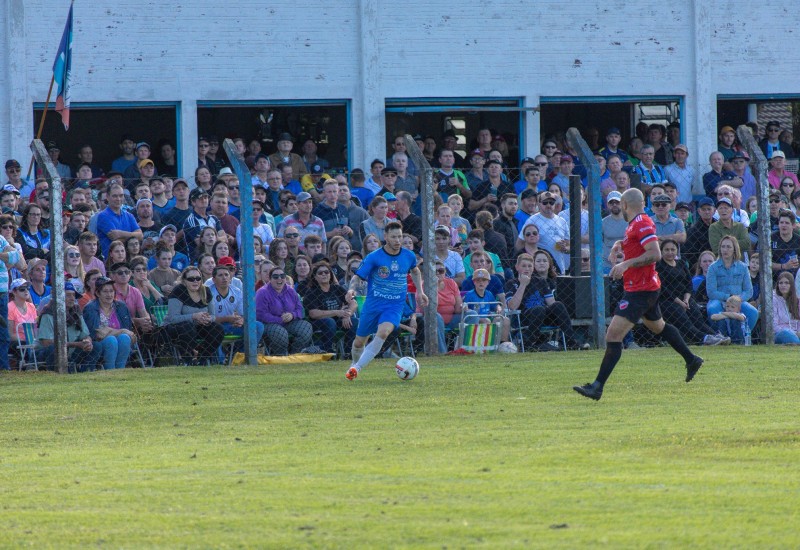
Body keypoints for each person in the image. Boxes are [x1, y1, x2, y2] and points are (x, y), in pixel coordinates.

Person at [573, 188, 704, 401]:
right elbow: (637, 245)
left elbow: (654, 253)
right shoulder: (636, 223)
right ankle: (691, 359)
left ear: (624, 205)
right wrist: (619, 245)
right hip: (646, 286)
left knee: (613, 336)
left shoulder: (641, 223)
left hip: (640, 290)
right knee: (658, 327)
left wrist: (625, 264)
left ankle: (597, 387)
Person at [344, 221, 428, 380]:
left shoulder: (408, 255)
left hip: (394, 305)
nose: (398, 240)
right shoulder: (374, 257)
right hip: (373, 304)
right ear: (386, 237)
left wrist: (420, 292)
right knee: (359, 343)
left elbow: (415, 271)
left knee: (383, 333)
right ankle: (354, 365)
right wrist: (351, 289)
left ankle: (357, 368)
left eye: (400, 236)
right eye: (394, 237)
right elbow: (358, 276)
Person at [656, 240, 728, 346]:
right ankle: (704, 339)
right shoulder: (659, 266)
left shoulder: (681, 263)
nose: (670, 252)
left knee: (698, 320)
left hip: (686, 298)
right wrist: (680, 302)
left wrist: (686, 299)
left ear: (677, 250)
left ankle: (716, 336)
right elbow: (664, 289)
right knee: (686, 322)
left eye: (673, 249)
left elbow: (688, 284)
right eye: (666, 250)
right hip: (668, 301)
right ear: (661, 251)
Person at [164, 266, 225, 365]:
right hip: (176, 329)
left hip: (198, 327)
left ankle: (202, 358)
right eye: (191, 279)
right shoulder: (178, 291)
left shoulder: (206, 291)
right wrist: (194, 316)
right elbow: (172, 318)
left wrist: (208, 319)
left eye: (198, 278)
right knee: (188, 326)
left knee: (217, 329)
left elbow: (213, 315)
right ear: (184, 280)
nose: (195, 281)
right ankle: (188, 359)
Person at [38, 282, 102, 372]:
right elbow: (46, 342)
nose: (72, 298)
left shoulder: (76, 311)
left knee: (96, 346)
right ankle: (55, 373)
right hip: (50, 355)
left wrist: (87, 342)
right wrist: (76, 344)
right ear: (58, 296)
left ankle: (86, 373)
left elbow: (85, 335)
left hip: (72, 352)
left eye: (73, 295)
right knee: (53, 349)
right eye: (68, 295)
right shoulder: (48, 313)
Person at [255, 266, 313, 355]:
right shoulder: (262, 292)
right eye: (275, 276)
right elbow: (261, 315)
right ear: (270, 279)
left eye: (282, 276)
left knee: (306, 327)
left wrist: (292, 315)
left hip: (290, 321)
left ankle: (295, 354)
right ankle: (281, 356)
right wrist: (280, 320)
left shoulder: (290, 290)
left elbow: (300, 310)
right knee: (280, 333)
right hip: (269, 324)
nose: (279, 279)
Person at [705, 235, 758, 332]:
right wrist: (727, 297)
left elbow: (748, 291)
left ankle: (742, 336)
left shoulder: (743, 267)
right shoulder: (713, 267)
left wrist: (737, 299)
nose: (725, 249)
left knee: (753, 312)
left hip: (738, 301)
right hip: (718, 300)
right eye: (723, 246)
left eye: (728, 247)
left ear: (734, 249)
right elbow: (711, 292)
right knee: (712, 309)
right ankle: (721, 336)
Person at [82, 276, 136, 370]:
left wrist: (108, 330)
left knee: (124, 338)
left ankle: (120, 370)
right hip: (98, 344)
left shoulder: (121, 306)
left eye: (111, 291)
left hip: (120, 342)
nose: (109, 294)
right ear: (98, 293)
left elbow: (128, 332)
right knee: (111, 340)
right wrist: (120, 331)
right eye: (105, 291)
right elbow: (95, 334)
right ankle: (110, 371)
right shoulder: (90, 308)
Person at [303, 262, 357, 353]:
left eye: (326, 272)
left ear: (331, 275)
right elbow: (313, 314)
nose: (324, 274)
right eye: (320, 273)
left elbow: (354, 303)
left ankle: (349, 352)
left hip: (338, 319)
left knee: (354, 321)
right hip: (319, 322)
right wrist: (336, 312)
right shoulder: (311, 292)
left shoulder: (336, 289)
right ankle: (328, 351)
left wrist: (348, 314)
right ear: (315, 277)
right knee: (329, 321)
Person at [462, 268, 511, 343]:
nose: (481, 282)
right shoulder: (470, 295)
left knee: (505, 320)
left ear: (488, 282)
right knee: (486, 321)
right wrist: (466, 308)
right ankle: (487, 344)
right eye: (478, 280)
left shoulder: (489, 294)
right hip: (476, 320)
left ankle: (502, 344)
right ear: (474, 282)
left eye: (484, 280)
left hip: (488, 317)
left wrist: (498, 308)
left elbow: (495, 305)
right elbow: (466, 308)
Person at [770, 272, 800, 344]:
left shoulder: (797, 301)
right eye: (781, 283)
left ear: (791, 285)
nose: (783, 285)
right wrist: (794, 333)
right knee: (787, 334)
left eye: (787, 283)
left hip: (796, 333)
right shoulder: (774, 299)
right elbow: (774, 325)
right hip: (780, 333)